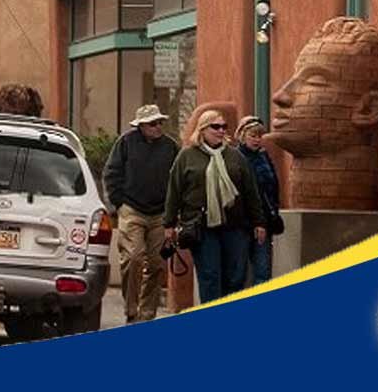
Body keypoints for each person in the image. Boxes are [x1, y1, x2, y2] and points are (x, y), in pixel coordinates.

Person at [164, 110, 267, 304]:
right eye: (216, 127)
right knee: (210, 276)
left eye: (224, 127)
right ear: (203, 129)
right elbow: (174, 190)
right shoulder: (187, 156)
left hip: (235, 225)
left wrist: (258, 222)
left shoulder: (235, 156)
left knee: (236, 276)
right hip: (201, 226)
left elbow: (250, 192)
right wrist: (168, 224)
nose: (221, 131)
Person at [102, 104, 180, 323]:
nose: (157, 127)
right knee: (133, 258)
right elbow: (111, 173)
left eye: (159, 123)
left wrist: (173, 213)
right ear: (141, 126)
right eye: (152, 124)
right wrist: (119, 204)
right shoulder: (126, 143)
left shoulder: (170, 146)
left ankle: (147, 313)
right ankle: (131, 308)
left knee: (156, 264)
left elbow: (178, 180)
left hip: (160, 214)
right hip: (132, 210)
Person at [236, 116, 281, 284]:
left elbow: (273, 188)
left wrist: (273, 212)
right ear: (242, 135)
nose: (256, 140)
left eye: (259, 136)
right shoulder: (235, 157)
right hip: (241, 224)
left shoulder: (264, 157)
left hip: (265, 221)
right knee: (238, 273)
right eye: (252, 135)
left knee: (263, 271)